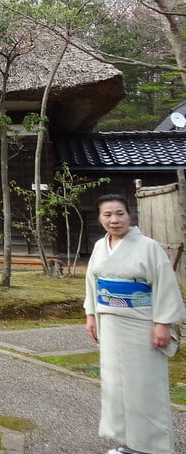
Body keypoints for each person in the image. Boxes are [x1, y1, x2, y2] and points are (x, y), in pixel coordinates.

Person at [84, 193, 186, 454]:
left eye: (120, 213)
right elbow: (92, 283)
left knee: (144, 385)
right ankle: (129, 443)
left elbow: (164, 284)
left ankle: (152, 446)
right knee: (116, 386)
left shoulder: (148, 246)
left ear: (130, 215)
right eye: (107, 214)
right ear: (99, 218)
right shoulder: (99, 246)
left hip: (140, 324)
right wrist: (91, 315)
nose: (114, 220)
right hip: (109, 323)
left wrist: (163, 324)